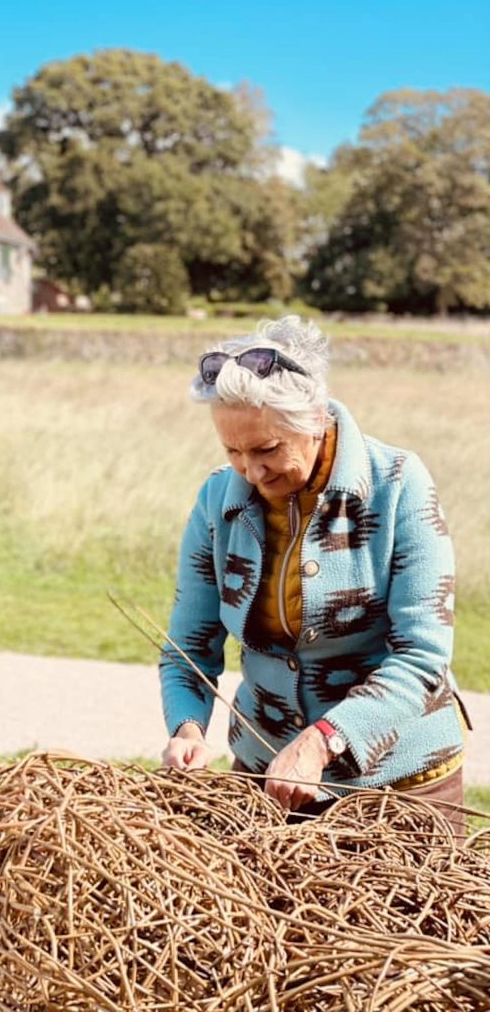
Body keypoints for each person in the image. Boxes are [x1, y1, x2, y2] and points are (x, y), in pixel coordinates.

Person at [160, 316, 469, 825]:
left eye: (267, 449)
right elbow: (187, 650)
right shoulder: (218, 499)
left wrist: (323, 742)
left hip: (400, 791)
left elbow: (423, 656)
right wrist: (187, 729)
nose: (252, 472)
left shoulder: (397, 484)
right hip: (268, 783)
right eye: (232, 451)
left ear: (316, 419)